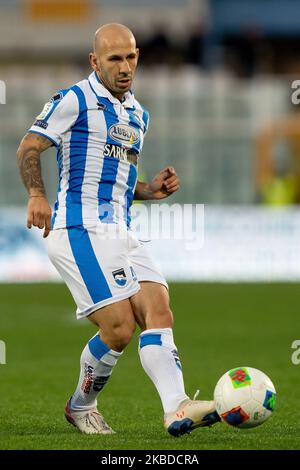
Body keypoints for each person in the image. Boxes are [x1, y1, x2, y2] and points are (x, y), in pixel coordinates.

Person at [17, 23, 220, 437]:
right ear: (95, 61)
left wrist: (149, 189)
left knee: (158, 309)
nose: (124, 66)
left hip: (120, 229)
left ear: (138, 56)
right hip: (77, 227)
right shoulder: (73, 99)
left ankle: (177, 407)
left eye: (130, 57)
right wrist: (37, 195)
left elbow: (120, 180)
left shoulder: (138, 115)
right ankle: (81, 405)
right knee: (120, 328)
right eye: (114, 59)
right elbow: (29, 146)